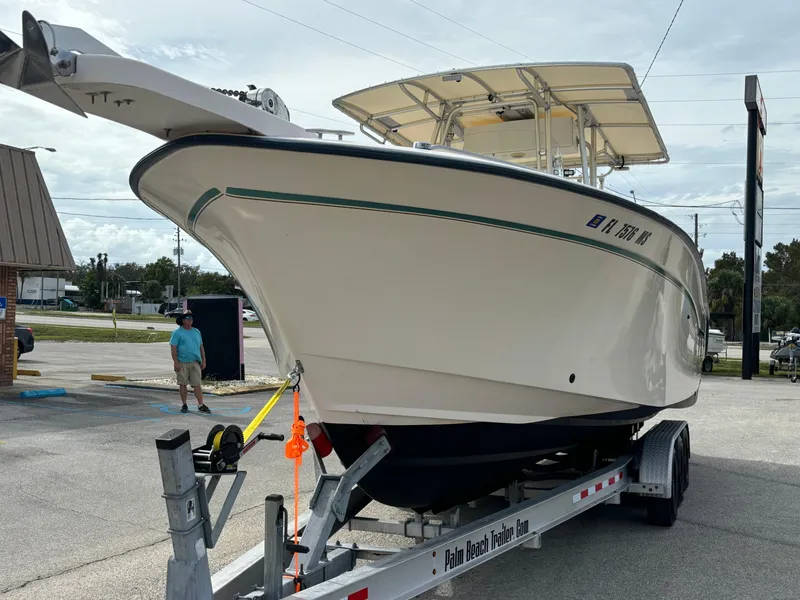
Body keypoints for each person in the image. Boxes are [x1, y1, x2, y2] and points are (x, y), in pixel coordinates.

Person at [169, 310, 210, 413]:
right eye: (187, 318)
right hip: (182, 362)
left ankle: (200, 404)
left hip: (195, 361)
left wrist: (203, 360)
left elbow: (201, 347)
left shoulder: (196, 331)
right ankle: (184, 404)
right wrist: (176, 362)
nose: (189, 320)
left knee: (197, 384)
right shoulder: (177, 333)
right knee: (183, 383)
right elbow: (173, 348)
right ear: (183, 320)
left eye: (191, 318)